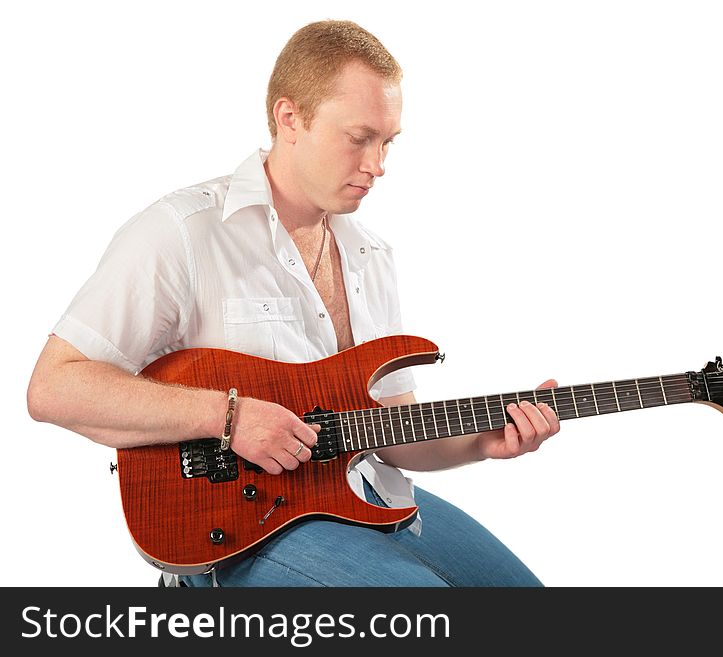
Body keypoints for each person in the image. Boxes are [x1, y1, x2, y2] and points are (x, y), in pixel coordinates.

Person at [26, 20, 560, 587]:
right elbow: (53, 388)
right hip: (240, 531)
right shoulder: (182, 232)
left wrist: (484, 441)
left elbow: (391, 432)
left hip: (363, 494)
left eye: (388, 142)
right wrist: (228, 418)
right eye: (359, 138)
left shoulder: (369, 254)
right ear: (290, 119)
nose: (378, 165)